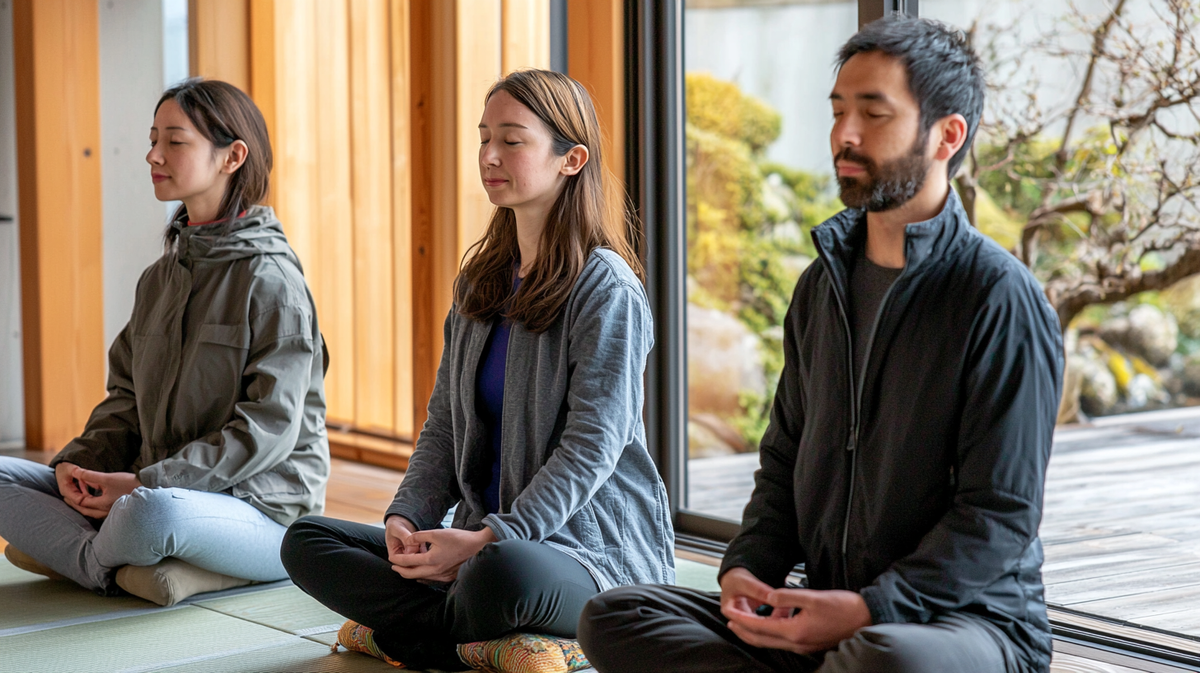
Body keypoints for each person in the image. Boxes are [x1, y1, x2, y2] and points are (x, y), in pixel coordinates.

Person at [579, 16, 1062, 673]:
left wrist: (868, 610)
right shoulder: (822, 284)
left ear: (947, 135)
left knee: (885, 659)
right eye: (838, 111)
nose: (845, 135)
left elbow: (998, 518)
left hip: (963, 623)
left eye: (874, 113)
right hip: (825, 608)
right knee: (616, 616)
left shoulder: (999, 296)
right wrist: (747, 568)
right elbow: (783, 459)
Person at [280, 68, 674, 673]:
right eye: (484, 137)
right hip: (470, 545)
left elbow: (593, 446)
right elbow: (443, 425)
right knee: (306, 543)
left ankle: (417, 634)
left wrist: (489, 540)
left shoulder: (607, 289)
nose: (489, 155)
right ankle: (481, 642)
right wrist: (406, 519)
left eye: (512, 140)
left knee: (504, 573)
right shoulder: (481, 281)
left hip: (585, 554)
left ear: (571, 159)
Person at [0, 78, 329, 607]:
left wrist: (144, 485)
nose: (153, 154)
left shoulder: (272, 283)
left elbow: (268, 430)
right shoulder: (160, 278)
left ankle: (83, 560)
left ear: (232, 157)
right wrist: (77, 466)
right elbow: (125, 399)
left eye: (174, 141)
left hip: (260, 508)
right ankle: (133, 566)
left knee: (153, 515)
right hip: (155, 485)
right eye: (154, 138)